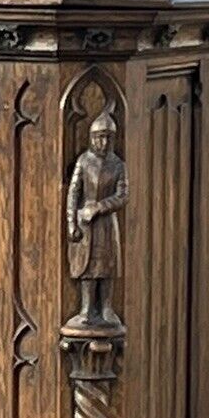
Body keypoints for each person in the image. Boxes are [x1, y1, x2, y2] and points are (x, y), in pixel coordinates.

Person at [66, 105, 128, 328]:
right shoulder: (84, 161)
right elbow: (73, 192)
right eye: (99, 138)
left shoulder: (118, 164)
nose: (103, 143)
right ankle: (86, 308)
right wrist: (72, 222)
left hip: (106, 223)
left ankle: (107, 307)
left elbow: (123, 195)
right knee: (87, 267)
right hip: (85, 224)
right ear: (92, 138)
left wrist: (100, 207)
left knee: (107, 265)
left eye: (108, 138)